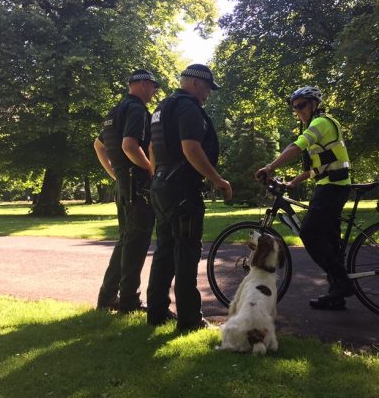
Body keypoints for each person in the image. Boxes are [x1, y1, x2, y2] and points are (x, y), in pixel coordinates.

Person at [146, 63, 232, 331]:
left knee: (164, 250)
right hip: (182, 189)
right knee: (186, 252)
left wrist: (157, 176)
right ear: (195, 82)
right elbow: (191, 148)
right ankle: (190, 319)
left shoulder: (162, 108)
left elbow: (151, 147)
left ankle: (157, 312)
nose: (208, 94)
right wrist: (217, 180)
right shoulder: (187, 107)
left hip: (161, 185)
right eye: (207, 87)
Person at [255, 86, 353, 310]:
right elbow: (315, 169)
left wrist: (270, 166)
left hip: (332, 188)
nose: (298, 111)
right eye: (295, 108)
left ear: (314, 104)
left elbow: (296, 146)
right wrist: (294, 183)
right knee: (330, 242)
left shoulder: (321, 123)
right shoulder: (320, 128)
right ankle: (336, 294)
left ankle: (343, 281)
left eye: (301, 105)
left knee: (309, 233)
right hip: (330, 186)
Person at [93, 69, 159, 313]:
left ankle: (107, 296)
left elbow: (99, 145)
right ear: (142, 85)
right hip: (138, 185)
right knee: (136, 243)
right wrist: (152, 171)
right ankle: (129, 301)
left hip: (123, 183)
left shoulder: (115, 111)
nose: (154, 91)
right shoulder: (137, 110)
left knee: (125, 241)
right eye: (153, 86)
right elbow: (130, 146)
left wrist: (114, 174)